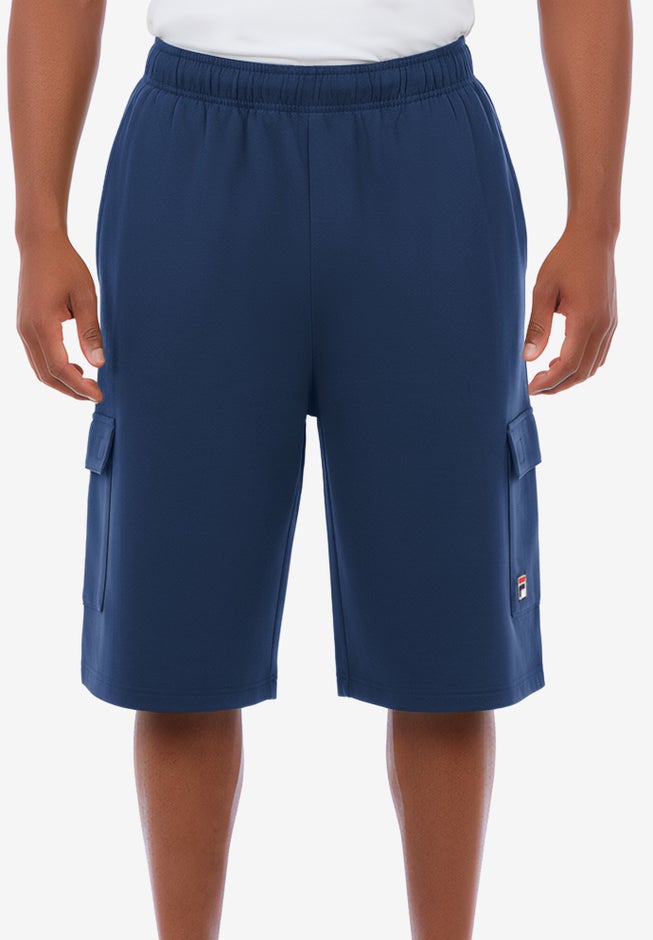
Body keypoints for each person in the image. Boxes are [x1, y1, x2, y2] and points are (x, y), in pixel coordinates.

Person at [8, 0, 631, 937]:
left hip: (425, 151)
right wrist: (36, 226)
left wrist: (596, 224)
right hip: (193, 153)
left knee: (448, 641)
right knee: (177, 643)